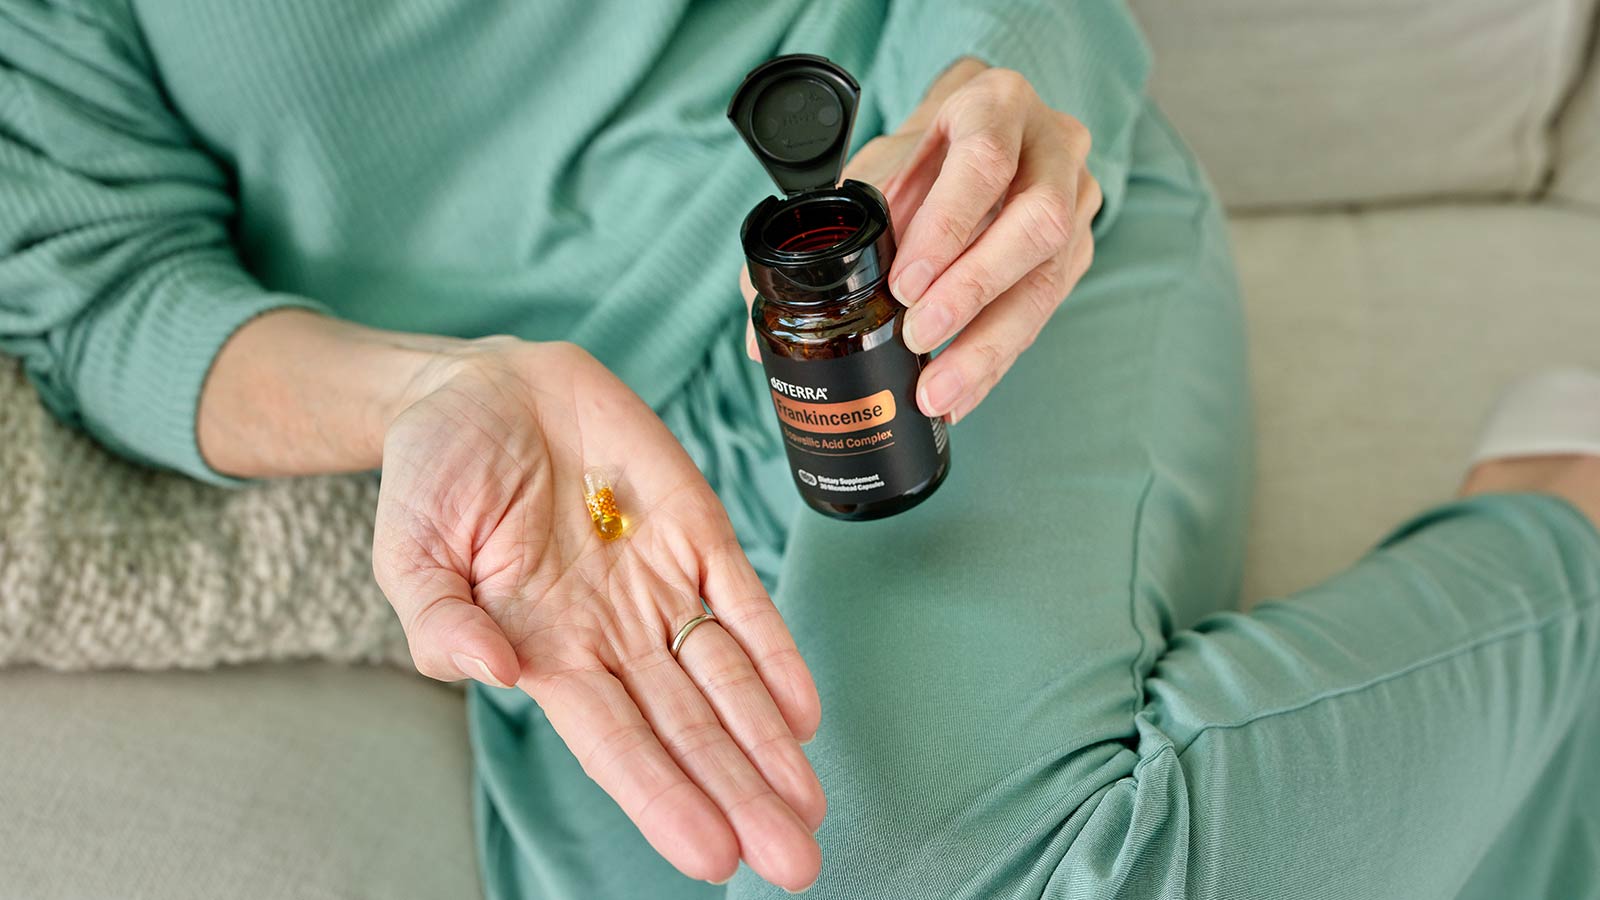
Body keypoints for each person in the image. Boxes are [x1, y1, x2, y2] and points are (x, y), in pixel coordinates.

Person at [2, 1, 1596, 897]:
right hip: (585, 480)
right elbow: (93, 285)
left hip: (932, 263)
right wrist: (427, 393)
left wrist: (1002, 80)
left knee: (936, 861)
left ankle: (1559, 548)